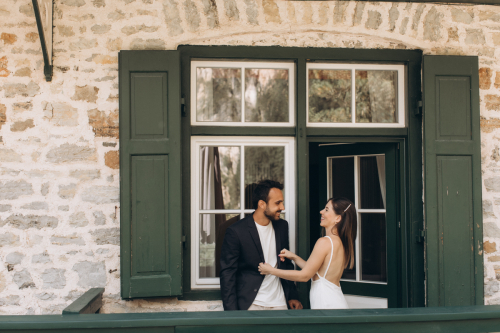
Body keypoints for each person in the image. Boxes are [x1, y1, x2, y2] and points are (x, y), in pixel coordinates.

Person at [258, 197, 356, 309]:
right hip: (335, 302)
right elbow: (314, 271)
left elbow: (304, 276)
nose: (321, 211)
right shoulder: (339, 241)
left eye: (327, 209)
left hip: (326, 305)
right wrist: (294, 257)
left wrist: (271, 270)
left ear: (338, 218)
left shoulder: (324, 242)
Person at [220, 179, 303, 311]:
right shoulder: (236, 231)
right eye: (278, 203)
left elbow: (286, 263)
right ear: (262, 204)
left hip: (279, 301)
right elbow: (228, 273)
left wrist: (292, 295)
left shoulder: (282, 226)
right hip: (251, 303)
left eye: (282, 202)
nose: (282, 207)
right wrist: (231, 313)